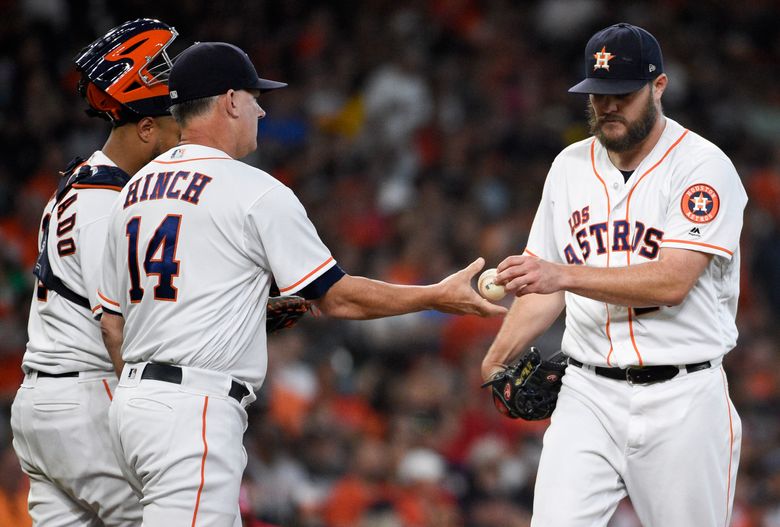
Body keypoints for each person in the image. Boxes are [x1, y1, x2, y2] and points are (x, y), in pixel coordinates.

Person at [96, 41, 505, 526]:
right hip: (193, 411)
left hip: (131, 407)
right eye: (253, 97)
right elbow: (338, 298)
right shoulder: (253, 189)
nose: (261, 109)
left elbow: (112, 321)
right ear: (229, 101)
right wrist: (435, 295)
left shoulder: (132, 192)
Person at [481, 23, 746, 526]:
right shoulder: (568, 166)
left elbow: (672, 282)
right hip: (587, 393)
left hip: (683, 399)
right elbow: (542, 286)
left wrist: (562, 275)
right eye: (599, 94)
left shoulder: (702, 167)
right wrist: (494, 361)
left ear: (659, 87)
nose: (608, 107)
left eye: (622, 94)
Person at [9, 18, 181, 526]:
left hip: (41, 403)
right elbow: (114, 328)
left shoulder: (79, 182)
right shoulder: (109, 204)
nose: (181, 135)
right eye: (173, 124)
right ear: (145, 127)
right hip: (86, 401)